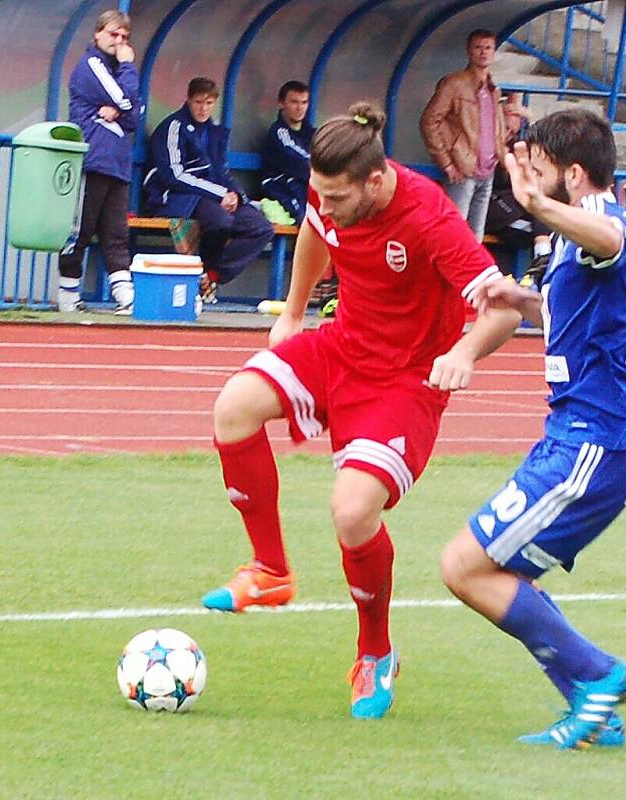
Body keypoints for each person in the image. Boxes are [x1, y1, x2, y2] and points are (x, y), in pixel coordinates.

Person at [201, 102, 522, 720]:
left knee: (351, 513)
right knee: (233, 408)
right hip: (341, 347)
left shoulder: (430, 217)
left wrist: (464, 351)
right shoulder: (332, 196)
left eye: (336, 196)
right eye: (316, 193)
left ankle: (375, 651)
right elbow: (318, 236)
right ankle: (270, 570)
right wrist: (293, 313)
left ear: (375, 182)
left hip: (404, 382)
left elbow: (503, 306)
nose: (324, 206)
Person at [440, 108, 626, 750]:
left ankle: (598, 675)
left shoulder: (607, 224)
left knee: (466, 567)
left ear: (575, 174)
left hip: (592, 444)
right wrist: (523, 301)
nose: (527, 181)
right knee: (503, 572)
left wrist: (536, 202)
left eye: (539, 170)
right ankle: (595, 713)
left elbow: (610, 243)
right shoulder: (573, 242)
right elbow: (585, 298)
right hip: (579, 440)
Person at [143, 77, 274, 304]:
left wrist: (238, 197)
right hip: (177, 196)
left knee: (261, 227)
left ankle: (211, 275)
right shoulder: (174, 126)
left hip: (213, 196)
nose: (203, 108)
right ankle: (200, 270)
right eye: (198, 102)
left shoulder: (215, 131)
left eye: (209, 103)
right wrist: (219, 194)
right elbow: (174, 176)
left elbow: (222, 172)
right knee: (221, 221)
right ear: (188, 100)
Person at [58, 9, 139, 314]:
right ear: (97, 34)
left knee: (116, 232)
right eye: (113, 34)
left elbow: (135, 115)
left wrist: (122, 107)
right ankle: (68, 295)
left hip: (117, 162)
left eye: (124, 37)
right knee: (81, 229)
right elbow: (128, 101)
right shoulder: (91, 64)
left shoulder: (118, 71)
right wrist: (129, 69)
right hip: (93, 160)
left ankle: (124, 296)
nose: (118, 42)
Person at [420, 28, 525, 242]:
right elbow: (429, 121)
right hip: (463, 168)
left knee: (474, 237)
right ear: (469, 51)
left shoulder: (493, 88)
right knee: (454, 231)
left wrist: (501, 153)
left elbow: (493, 125)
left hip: (488, 169)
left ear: (494, 52)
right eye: (478, 48)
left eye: (488, 48)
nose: (483, 53)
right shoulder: (454, 83)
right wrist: (447, 163)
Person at [260, 80, 315, 225]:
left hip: (307, 188)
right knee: (309, 220)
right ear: (281, 104)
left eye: (304, 102)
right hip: (281, 188)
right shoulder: (279, 132)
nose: (300, 108)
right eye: (294, 102)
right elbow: (301, 162)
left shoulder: (313, 134)